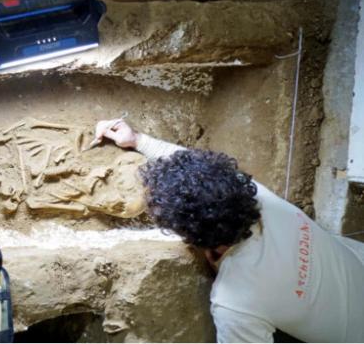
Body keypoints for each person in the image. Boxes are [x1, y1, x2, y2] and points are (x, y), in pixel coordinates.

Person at [93, 118, 364, 343]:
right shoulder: (259, 198)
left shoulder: (236, 301)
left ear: (190, 237)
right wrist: (138, 140)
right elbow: (197, 172)